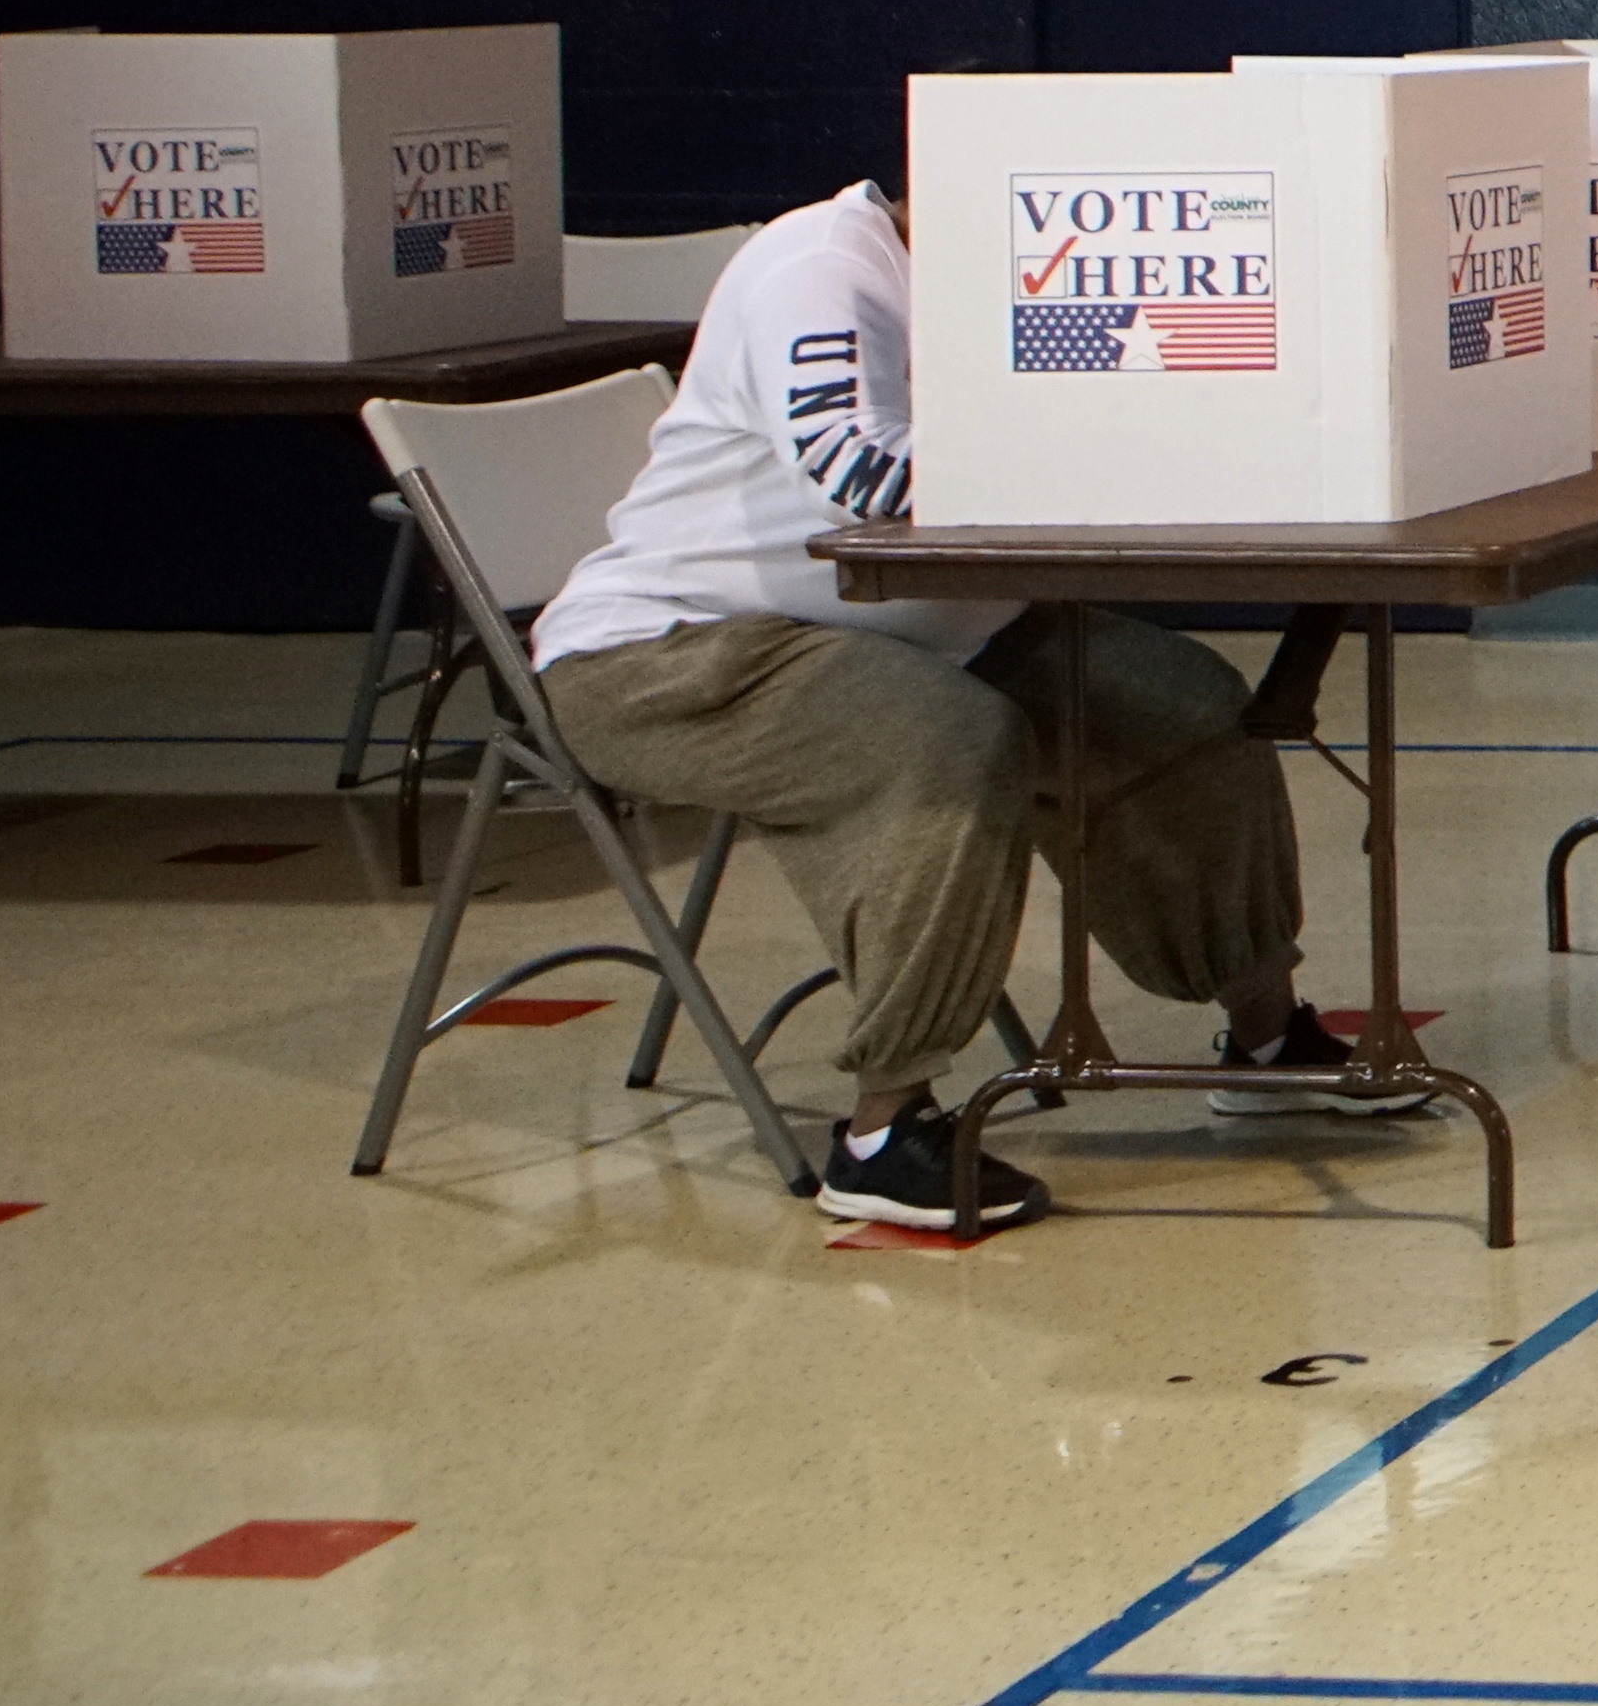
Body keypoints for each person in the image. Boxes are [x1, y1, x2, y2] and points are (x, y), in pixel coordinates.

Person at [523, 177, 1374, 1239]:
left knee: (1181, 704)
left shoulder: (1007, 282)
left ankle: (1264, 1039)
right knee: (946, 740)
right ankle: (882, 1132)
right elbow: (859, 472)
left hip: (919, 629)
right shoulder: (821, 268)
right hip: (679, 651)